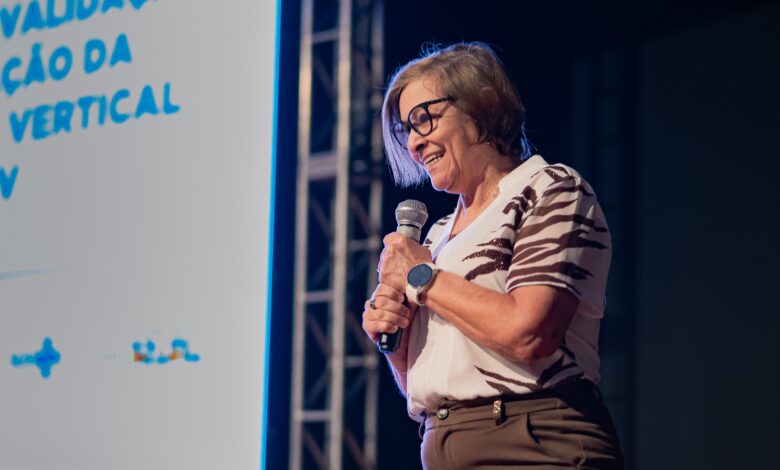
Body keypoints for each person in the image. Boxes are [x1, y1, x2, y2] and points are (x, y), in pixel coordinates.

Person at [361, 42, 624, 469]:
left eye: (424, 118)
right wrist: (395, 342)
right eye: (406, 129)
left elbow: (529, 334)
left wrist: (422, 276)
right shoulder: (439, 236)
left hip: (532, 443)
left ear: (479, 104)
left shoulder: (550, 190)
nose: (414, 142)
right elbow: (426, 385)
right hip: (445, 442)